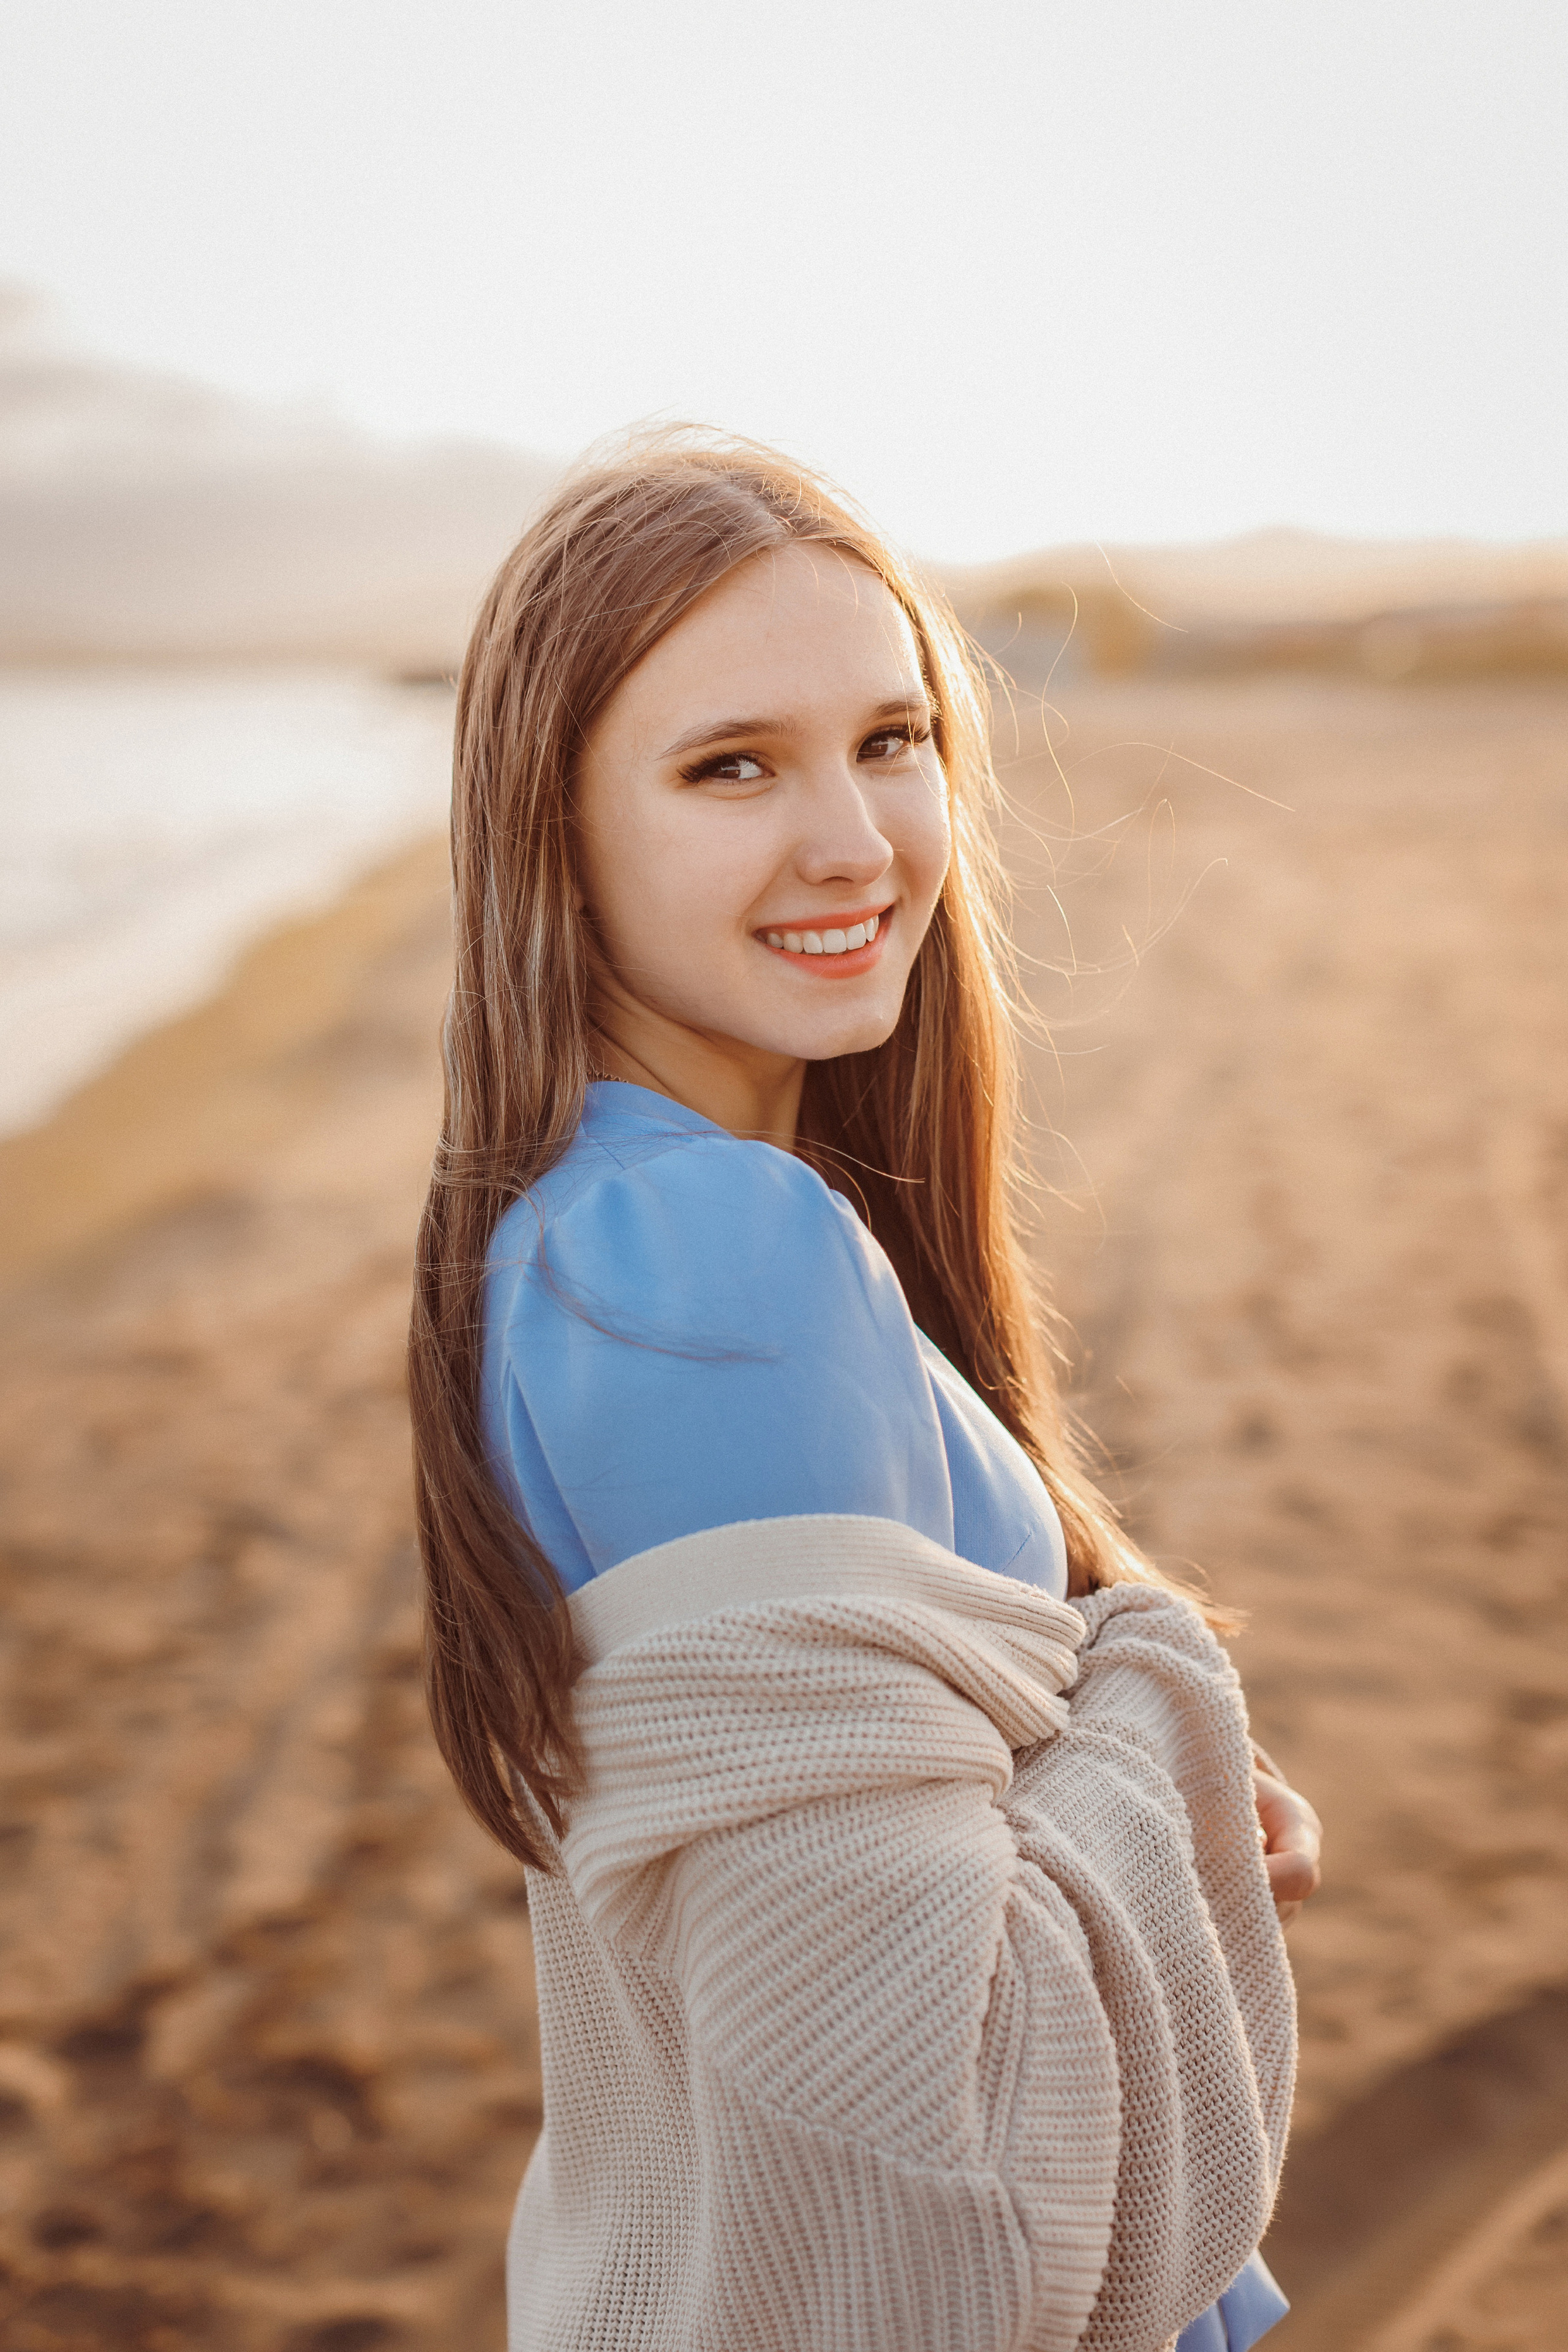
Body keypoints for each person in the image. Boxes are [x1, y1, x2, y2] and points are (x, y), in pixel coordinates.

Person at [409, 432, 1322, 2352]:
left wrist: (1125, 1808)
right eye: (730, 765)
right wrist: (1158, 1724)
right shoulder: (705, 1264)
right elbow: (952, 2181)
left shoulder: (608, 1230)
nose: (855, 842)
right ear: (555, 830)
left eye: (893, 740)